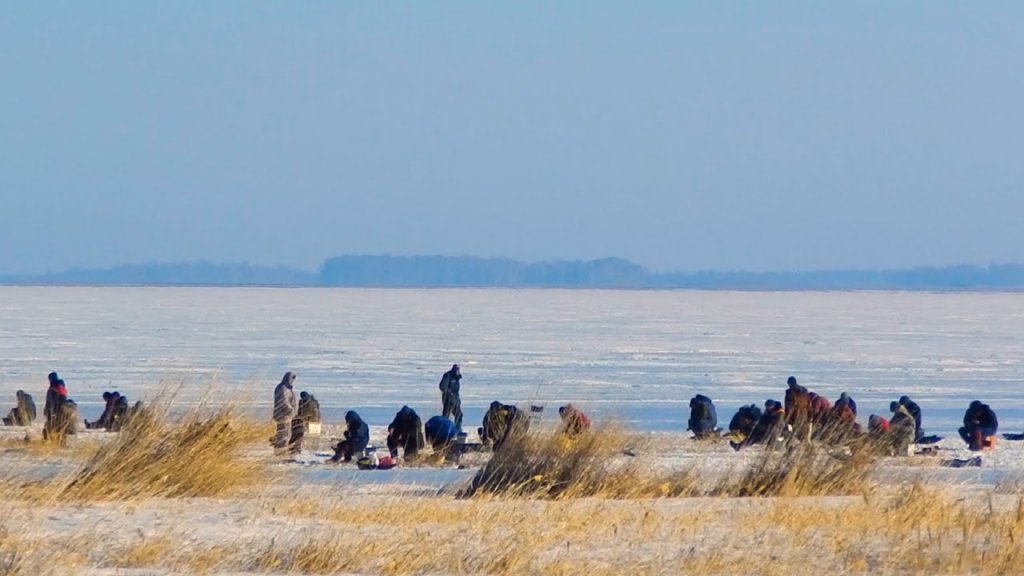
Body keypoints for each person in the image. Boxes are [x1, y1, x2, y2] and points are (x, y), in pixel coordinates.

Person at [272, 372, 297, 452]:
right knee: (283, 433)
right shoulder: (283, 388)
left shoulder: (287, 389)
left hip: (286, 415)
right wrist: (291, 410)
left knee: (285, 433)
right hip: (283, 415)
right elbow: (283, 402)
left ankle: (281, 449)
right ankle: (280, 450)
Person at [438, 364, 463, 432]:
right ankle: (442, 431)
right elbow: (442, 386)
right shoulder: (448, 376)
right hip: (448, 400)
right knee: (446, 416)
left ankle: (458, 431)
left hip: (456, 400)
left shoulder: (457, 378)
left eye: (458, 369)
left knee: (459, 415)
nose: (458, 370)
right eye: (456, 369)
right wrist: (449, 393)